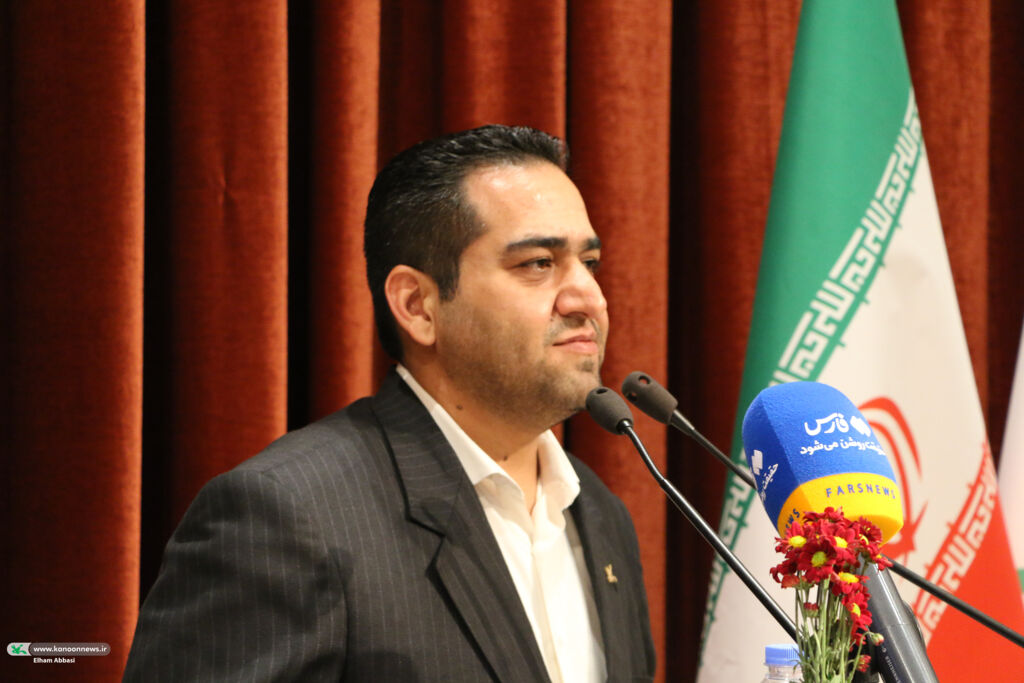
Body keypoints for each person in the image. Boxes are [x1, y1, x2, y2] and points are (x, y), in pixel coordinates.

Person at [123, 124, 656, 682]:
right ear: (418, 305)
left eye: (590, 263)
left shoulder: (600, 514)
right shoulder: (288, 517)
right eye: (538, 263)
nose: (589, 298)